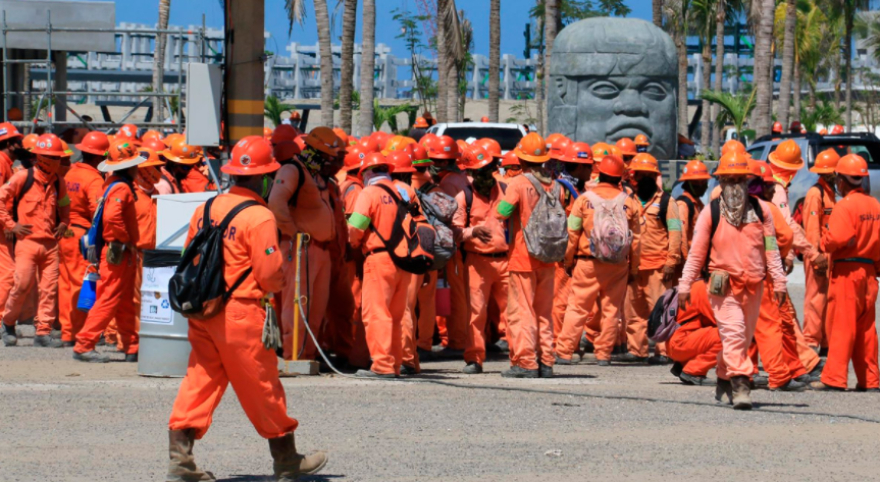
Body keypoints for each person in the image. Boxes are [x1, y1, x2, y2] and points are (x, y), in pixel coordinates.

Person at [166, 136, 326, 481]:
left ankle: (180, 460)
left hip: (203, 310)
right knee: (262, 384)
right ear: (265, 177)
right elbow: (269, 275)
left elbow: (190, 256)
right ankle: (287, 460)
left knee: (200, 379)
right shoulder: (259, 216)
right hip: (240, 313)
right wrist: (277, 282)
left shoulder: (206, 207)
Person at [678, 151, 787, 410]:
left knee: (741, 338)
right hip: (723, 287)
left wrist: (779, 281)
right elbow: (696, 253)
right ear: (721, 181)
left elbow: (771, 249)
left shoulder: (762, 211)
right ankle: (741, 386)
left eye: (739, 179)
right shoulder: (711, 213)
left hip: (754, 286)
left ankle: (723, 376)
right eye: (729, 179)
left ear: (747, 181)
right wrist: (684, 285)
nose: (734, 184)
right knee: (735, 333)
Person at [556, 155, 640, 367]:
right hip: (618, 265)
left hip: (587, 263)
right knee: (612, 310)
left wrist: (568, 261)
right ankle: (604, 354)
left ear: (599, 174)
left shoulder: (584, 200)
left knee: (577, 308)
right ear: (619, 178)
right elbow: (636, 240)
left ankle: (564, 352)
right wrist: (633, 269)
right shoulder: (629, 202)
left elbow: (572, 233)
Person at [495, 133, 562, 378]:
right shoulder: (555, 185)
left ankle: (525, 362)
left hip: (523, 256)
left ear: (521, 159)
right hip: (548, 256)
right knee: (544, 312)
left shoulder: (519, 183)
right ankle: (546, 362)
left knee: (521, 312)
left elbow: (501, 212)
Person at [268, 127, 338, 361]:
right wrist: (293, 232)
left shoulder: (315, 175)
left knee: (316, 308)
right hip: (300, 248)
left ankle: (307, 356)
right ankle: (293, 355)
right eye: (328, 156)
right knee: (296, 305)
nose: (332, 161)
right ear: (317, 153)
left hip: (319, 250)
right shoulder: (293, 170)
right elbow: (276, 203)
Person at [813, 154, 880, 392]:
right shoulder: (875, 205)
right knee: (866, 330)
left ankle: (834, 378)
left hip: (846, 273)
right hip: (869, 273)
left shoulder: (844, 206)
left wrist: (824, 241)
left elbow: (838, 238)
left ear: (841, 180)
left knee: (841, 325)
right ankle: (870, 380)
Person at [72, 140, 142, 362]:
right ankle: (84, 345)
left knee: (124, 302)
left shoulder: (111, 183)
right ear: (128, 167)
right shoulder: (122, 187)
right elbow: (113, 217)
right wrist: (125, 239)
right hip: (118, 252)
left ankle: (131, 346)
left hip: (117, 252)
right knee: (108, 299)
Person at [347, 152, 415, 378]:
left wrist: (353, 243)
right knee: (395, 316)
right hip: (403, 260)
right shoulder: (401, 192)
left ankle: (382, 365)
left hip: (378, 259)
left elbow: (356, 227)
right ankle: (394, 364)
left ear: (367, 173)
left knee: (376, 313)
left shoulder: (369, 193)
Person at [0, 134, 70, 348]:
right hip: (27, 243)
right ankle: (8, 323)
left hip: (50, 245)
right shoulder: (23, 177)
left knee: (49, 289)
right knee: (21, 285)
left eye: (58, 157)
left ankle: (43, 331)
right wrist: (11, 225)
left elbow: (64, 205)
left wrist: (64, 222)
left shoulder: (58, 182)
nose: (57, 161)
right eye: (53, 157)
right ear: (41, 157)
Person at [452, 144, 510, 374]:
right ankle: (474, 358)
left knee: (514, 312)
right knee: (476, 313)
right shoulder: (463, 197)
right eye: (479, 171)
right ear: (470, 173)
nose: (485, 174)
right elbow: (455, 232)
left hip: (506, 261)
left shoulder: (506, 191)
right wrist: (472, 232)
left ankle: (520, 358)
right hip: (477, 262)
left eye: (487, 168)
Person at [623, 153, 681, 364]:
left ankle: (663, 351)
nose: (644, 178)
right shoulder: (628, 201)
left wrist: (671, 261)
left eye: (649, 175)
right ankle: (636, 349)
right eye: (641, 174)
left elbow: (675, 233)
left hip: (658, 266)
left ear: (655, 176)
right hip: (633, 267)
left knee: (661, 310)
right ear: (635, 177)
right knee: (633, 311)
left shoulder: (667, 202)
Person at [58, 131, 109, 347]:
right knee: (84, 283)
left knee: (66, 284)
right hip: (83, 237)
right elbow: (97, 213)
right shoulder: (94, 179)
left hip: (65, 234)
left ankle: (68, 332)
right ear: (99, 157)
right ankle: (80, 332)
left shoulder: (70, 173)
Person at [427, 136, 469, 357]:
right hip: (465, 244)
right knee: (463, 295)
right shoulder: (462, 178)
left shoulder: (447, 183)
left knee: (457, 296)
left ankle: (458, 342)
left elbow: (448, 215)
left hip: (456, 244)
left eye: (436, 161)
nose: (433, 165)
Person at [551, 142, 593, 341]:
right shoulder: (560, 189)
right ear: (579, 167)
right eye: (589, 166)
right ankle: (557, 343)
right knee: (561, 302)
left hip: (579, 255)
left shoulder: (581, 189)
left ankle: (570, 342)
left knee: (578, 302)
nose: (592, 170)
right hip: (563, 256)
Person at [801, 149, 840, 352]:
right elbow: (812, 229)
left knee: (827, 299)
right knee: (815, 299)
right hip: (818, 255)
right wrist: (816, 257)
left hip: (828, 255)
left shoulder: (829, 193)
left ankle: (824, 341)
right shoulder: (816, 193)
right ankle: (810, 341)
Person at [667, 280, 721, 386]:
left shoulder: (699, 284)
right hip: (680, 342)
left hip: (679, 340)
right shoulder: (704, 288)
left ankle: (683, 364)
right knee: (729, 336)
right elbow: (718, 320)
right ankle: (693, 371)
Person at [676, 160, 710, 260]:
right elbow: (681, 237)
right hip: (689, 261)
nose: (702, 185)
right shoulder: (683, 205)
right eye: (697, 182)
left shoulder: (699, 204)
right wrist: (687, 263)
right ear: (689, 183)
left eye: (704, 181)